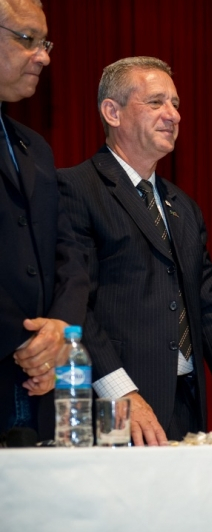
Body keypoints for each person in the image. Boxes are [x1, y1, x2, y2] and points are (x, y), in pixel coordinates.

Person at [57, 57, 212, 446]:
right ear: (112, 112)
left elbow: (208, 302)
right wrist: (122, 393)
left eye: (175, 104)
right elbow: (75, 305)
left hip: (185, 405)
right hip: (114, 409)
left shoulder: (183, 206)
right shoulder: (75, 188)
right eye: (156, 102)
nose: (173, 115)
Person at [0, 0, 87, 441]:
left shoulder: (34, 147)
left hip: (37, 389)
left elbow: (68, 253)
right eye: (27, 39)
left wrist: (60, 331)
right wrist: (24, 339)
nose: (44, 56)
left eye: (45, 43)